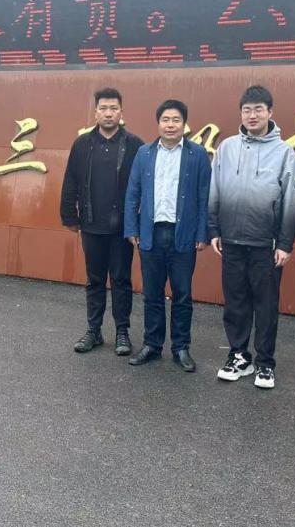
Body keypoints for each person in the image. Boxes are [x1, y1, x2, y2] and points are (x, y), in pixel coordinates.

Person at [208, 85, 295, 389]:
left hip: (267, 245)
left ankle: (265, 363)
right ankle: (239, 356)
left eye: (258, 109)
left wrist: (285, 243)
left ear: (270, 112)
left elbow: (292, 200)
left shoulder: (285, 153)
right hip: (232, 241)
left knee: (266, 305)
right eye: (247, 110)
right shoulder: (227, 148)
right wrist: (214, 229)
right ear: (241, 113)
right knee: (235, 302)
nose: (252, 115)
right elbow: (214, 190)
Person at [124, 100, 211, 372]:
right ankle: (152, 344)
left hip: (183, 234)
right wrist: (132, 229)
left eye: (176, 120)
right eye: (165, 119)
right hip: (151, 233)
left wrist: (203, 232)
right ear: (158, 123)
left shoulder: (197, 155)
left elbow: (205, 196)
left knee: (182, 295)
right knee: (152, 294)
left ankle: (181, 347)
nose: (170, 125)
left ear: (184, 124)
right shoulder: (144, 153)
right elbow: (133, 193)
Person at [60, 88, 145, 356]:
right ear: (95, 112)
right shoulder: (82, 144)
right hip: (91, 223)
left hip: (122, 228)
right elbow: (71, 181)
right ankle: (93, 330)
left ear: (121, 112)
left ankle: (122, 332)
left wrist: (138, 224)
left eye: (113, 108)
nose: (109, 113)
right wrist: (69, 216)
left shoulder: (135, 145)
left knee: (121, 280)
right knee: (94, 280)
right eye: (104, 108)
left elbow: (144, 186)